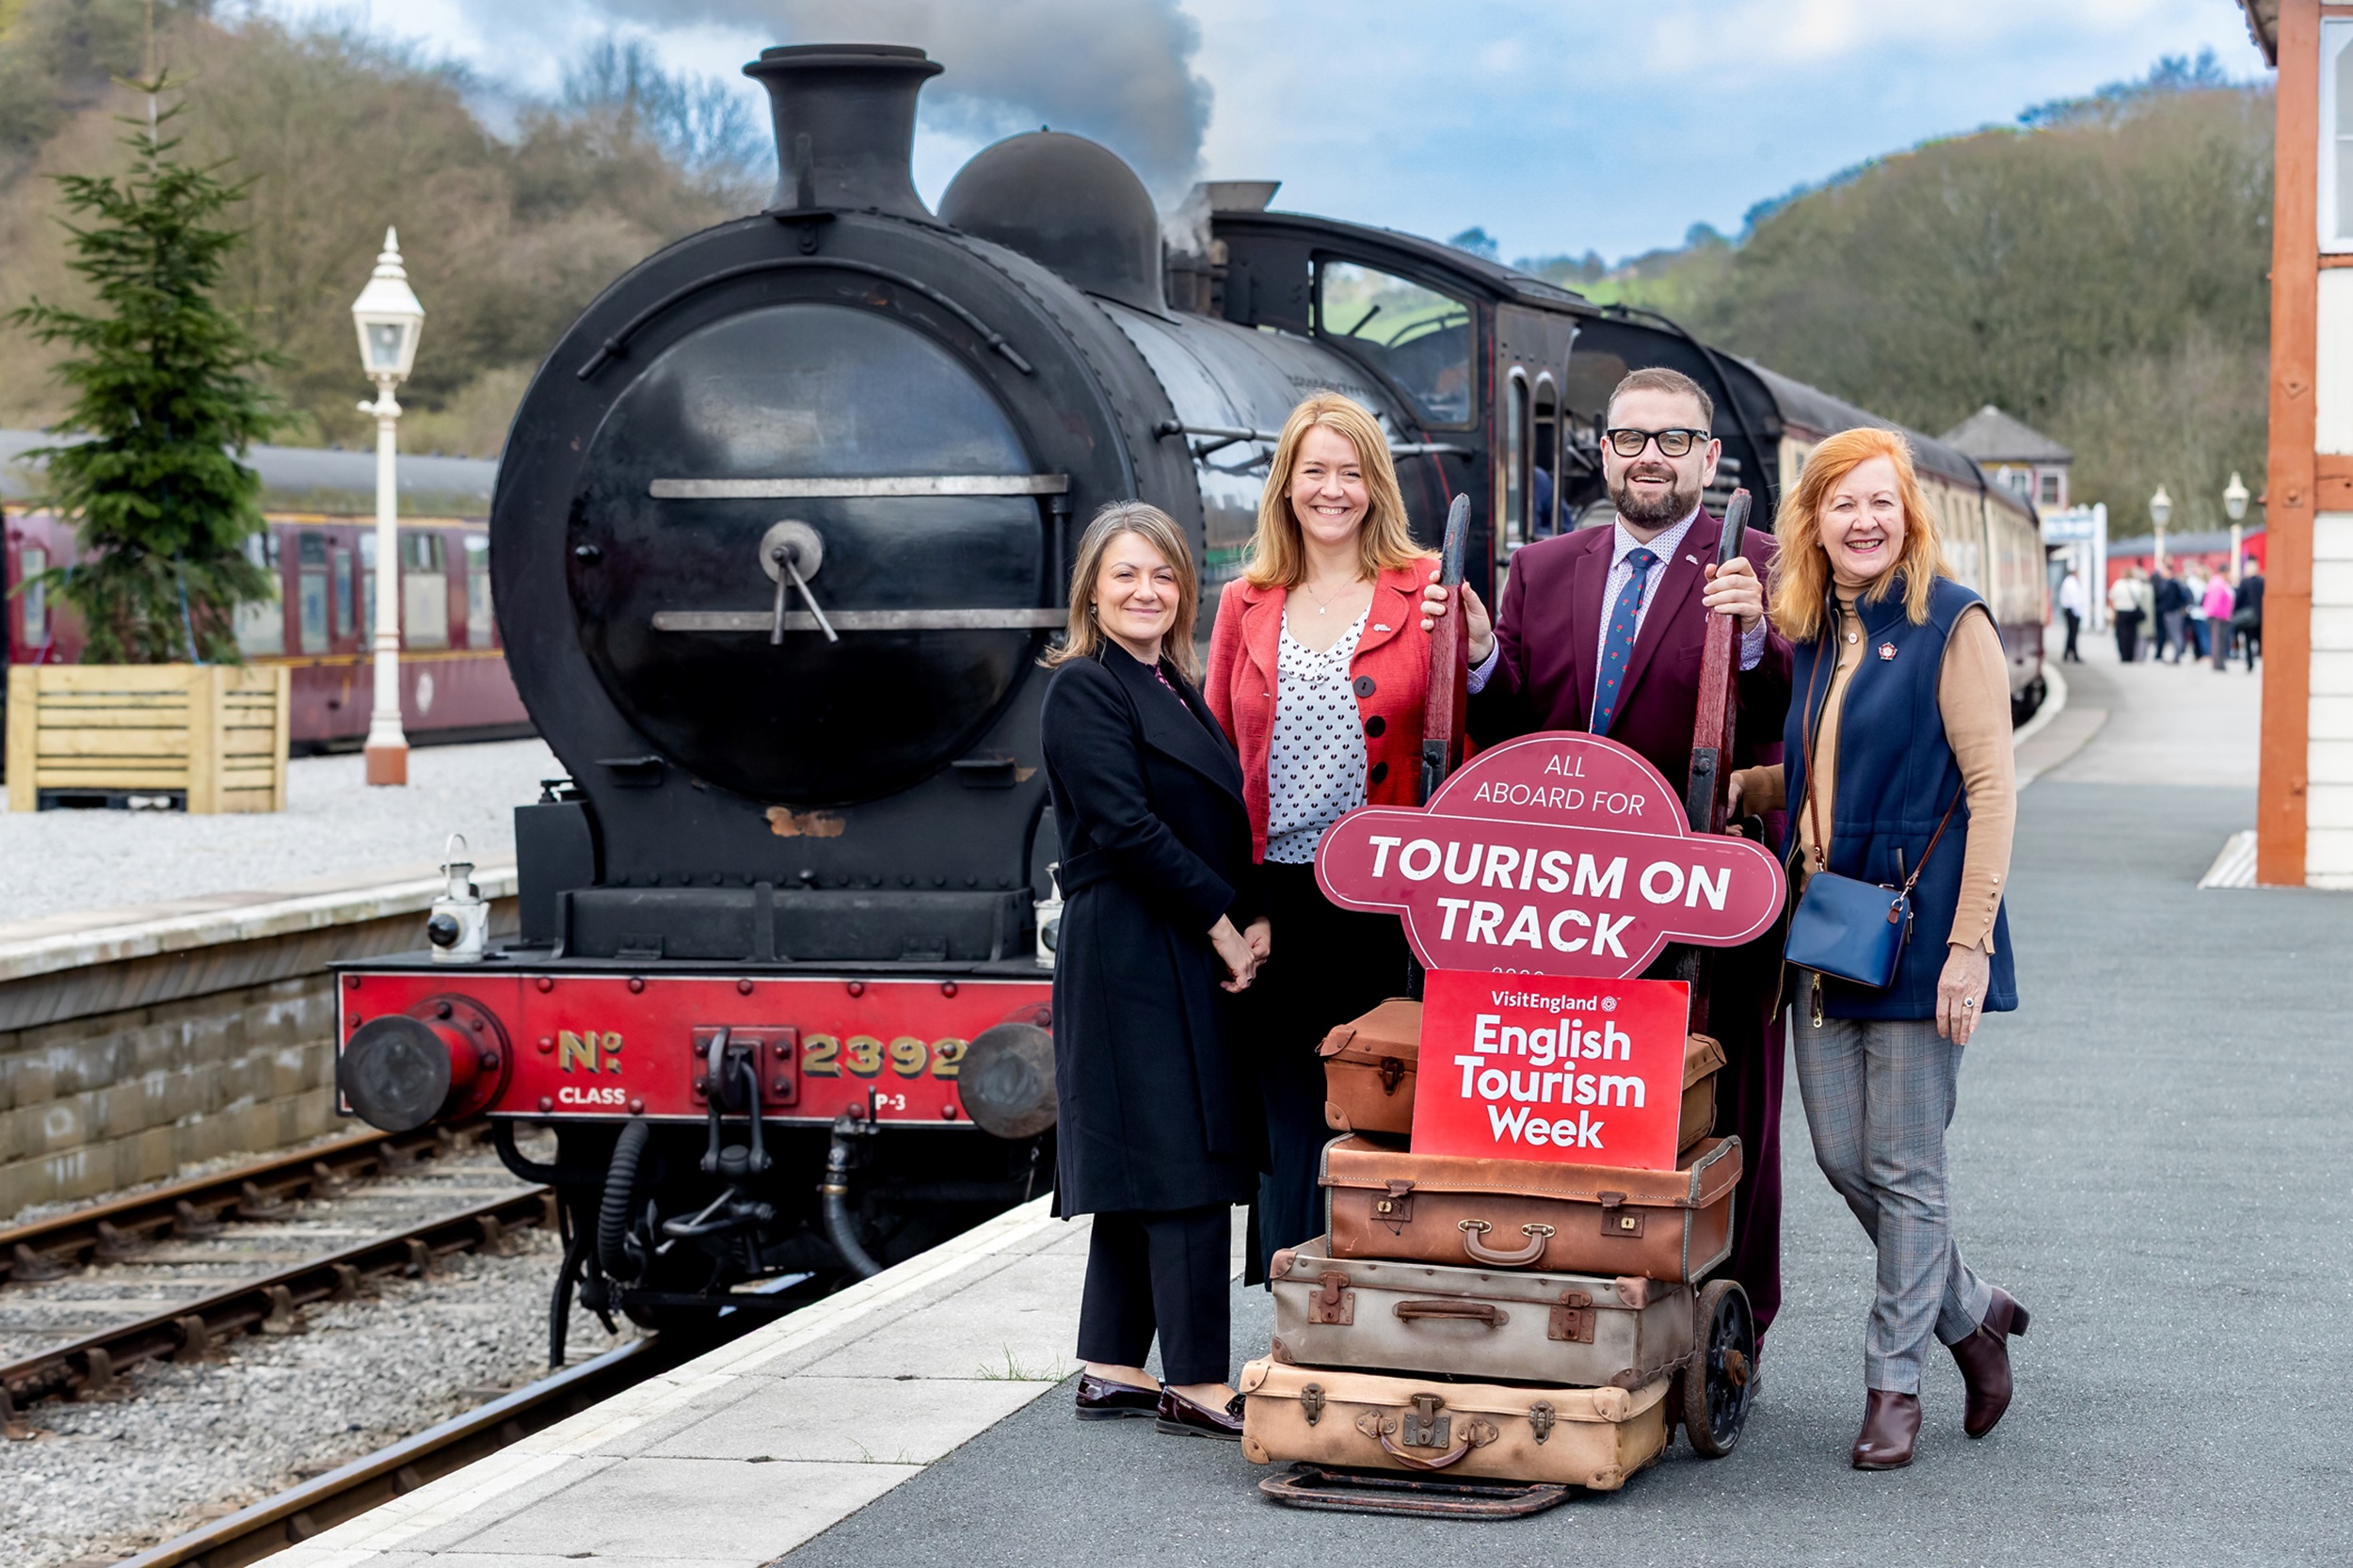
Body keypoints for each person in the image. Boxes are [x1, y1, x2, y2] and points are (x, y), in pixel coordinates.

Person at [1422, 365, 1793, 1350]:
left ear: (1709, 460)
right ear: (1602, 449)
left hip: (1700, 892)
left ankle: (1731, 1316)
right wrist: (1475, 659)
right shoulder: (1545, 568)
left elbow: (1787, 723)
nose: (1649, 459)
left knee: (1722, 1099)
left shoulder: (1758, 562)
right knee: (1575, 1090)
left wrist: (1755, 636)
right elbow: (1509, 726)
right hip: (1567, 901)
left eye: (1674, 441)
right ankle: (1566, 1288)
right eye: (1631, 439)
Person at [1726, 425, 2027, 1472]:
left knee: (1905, 1167)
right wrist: (1751, 789)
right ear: (1811, 521)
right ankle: (1970, 1309)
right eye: (1840, 504)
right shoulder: (1817, 628)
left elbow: (1990, 791)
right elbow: (1831, 766)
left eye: (1880, 503)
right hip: (1825, 930)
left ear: (1908, 515)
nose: (1863, 522)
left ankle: (1891, 1382)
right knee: (1840, 1157)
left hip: (1918, 928)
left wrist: (1968, 946)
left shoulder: (1951, 623)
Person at [1038, 502, 1270, 1441]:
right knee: (1180, 1150)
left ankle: (1109, 1360)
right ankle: (1198, 1379)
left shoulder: (1168, 679)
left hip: (1167, 929)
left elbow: (1216, 814)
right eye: (1126, 574)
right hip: (1134, 939)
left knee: (1149, 1142)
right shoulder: (1084, 688)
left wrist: (1253, 913)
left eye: (1163, 574)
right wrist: (1222, 921)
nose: (1147, 591)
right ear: (1092, 587)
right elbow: (1127, 827)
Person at [1203, 392, 1432, 1281]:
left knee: (1380, 1092)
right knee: (1292, 1102)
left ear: (1374, 485)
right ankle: (1299, 1305)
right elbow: (1221, 763)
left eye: (1351, 471)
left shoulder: (1427, 590)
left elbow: (1475, 732)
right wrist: (1241, 904)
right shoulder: (1246, 602)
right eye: (1315, 472)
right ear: (1286, 486)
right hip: (1280, 897)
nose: (1333, 490)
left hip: (1389, 894)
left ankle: (1381, 1293)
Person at [2108, 568, 2147, 663]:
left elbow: (2112, 596)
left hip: (2121, 611)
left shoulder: (2118, 584)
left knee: (2121, 635)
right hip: (2132, 611)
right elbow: (2139, 598)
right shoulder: (2136, 584)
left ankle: (2123, 655)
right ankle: (2130, 654)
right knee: (2132, 635)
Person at [2202, 568, 2235, 671]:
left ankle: (2220, 662)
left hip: (2222, 617)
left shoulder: (2221, 584)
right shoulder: (2218, 584)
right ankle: (2218, 663)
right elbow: (2215, 603)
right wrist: (2221, 615)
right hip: (2218, 617)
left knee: (2220, 641)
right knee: (2217, 641)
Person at [2234, 565, 2265, 670]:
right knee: (2260, 638)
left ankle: (2250, 662)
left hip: (2247, 617)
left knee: (2248, 640)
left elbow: (2238, 599)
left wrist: (2235, 612)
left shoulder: (2245, 583)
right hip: (2260, 615)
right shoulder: (2262, 582)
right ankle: (2262, 658)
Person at [2151, 568, 2184, 663]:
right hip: (2173, 611)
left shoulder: (2172, 584)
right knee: (2175, 634)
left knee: (2175, 634)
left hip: (2172, 612)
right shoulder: (2174, 583)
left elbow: (2171, 600)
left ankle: (2177, 656)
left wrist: (2167, 610)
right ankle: (2176, 655)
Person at [2056, 567, 2085, 664]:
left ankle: (2068, 653)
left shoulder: (2069, 582)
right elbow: (2074, 599)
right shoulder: (2071, 583)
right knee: (2073, 633)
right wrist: (2077, 612)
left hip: (2071, 610)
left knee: (2072, 633)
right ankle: (2073, 654)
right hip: (2072, 610)